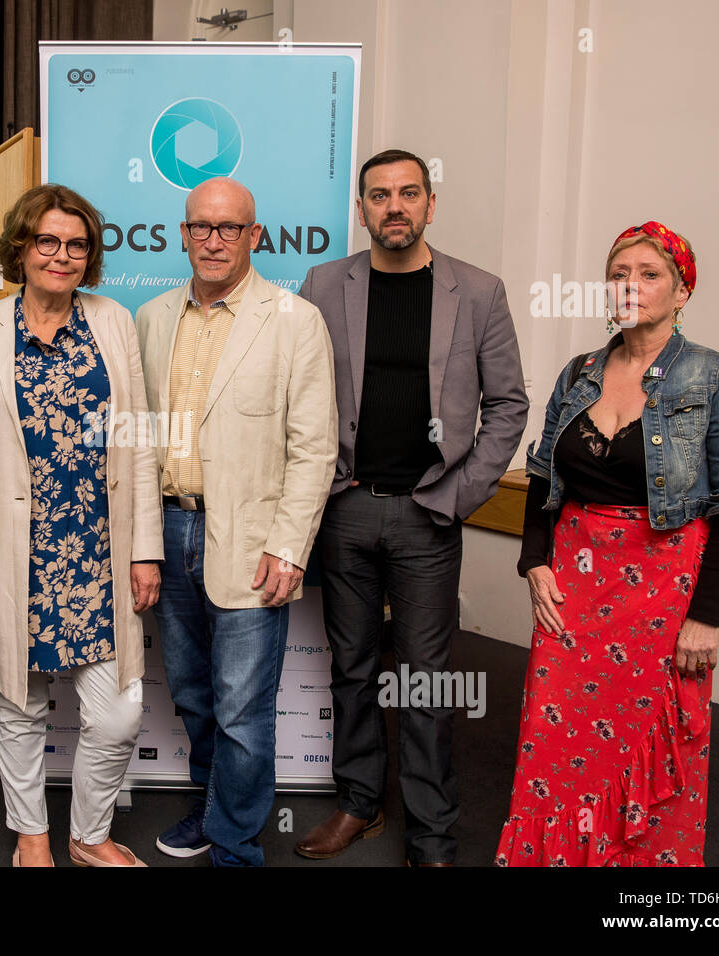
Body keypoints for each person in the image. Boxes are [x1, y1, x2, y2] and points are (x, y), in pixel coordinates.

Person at [497, 221, 719, 867]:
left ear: (681, 291)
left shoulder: (713, 376)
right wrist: (534, 559)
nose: (630, 286)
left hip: (663, 592)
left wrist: (704, 618)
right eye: (620, 274)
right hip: (572, 583)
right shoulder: (580, 372)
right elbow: (541, 477)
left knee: (652, 738)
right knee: (554, 740)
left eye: (649, 274)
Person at [293, 148, 529, 866]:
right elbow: (297, 396)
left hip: (429, 515)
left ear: (431, 204)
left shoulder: (479, 291)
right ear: (360, 209)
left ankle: (431, 832)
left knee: (425, 679)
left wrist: (456, 498)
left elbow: (509, 405)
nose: (393, 206)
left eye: (408, 193)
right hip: (345, 509)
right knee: (353, 668)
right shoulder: (323, 285)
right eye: (378, 195)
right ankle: (359, 804)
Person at [0, 183, 162, 868]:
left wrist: (145, 549)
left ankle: (89, 836)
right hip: (10, 558)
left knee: (117, 713)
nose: (62, 256)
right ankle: (32, 835)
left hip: (97, 550)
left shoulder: (113, 321)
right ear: (22, 249)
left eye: (77, 245)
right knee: (18, 705)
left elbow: (138, 441)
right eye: (47, 242)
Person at [134, 176, 337, 867]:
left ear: (255, 236)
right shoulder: (153, 319)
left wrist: (290, 547)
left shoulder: (294, 320)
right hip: (169, 530)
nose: (212, 240)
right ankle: (213, 801)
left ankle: (234, 844)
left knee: (245, 711)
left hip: (251, 542)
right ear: (182, 233)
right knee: (192, 694)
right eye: (200, 227)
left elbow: (314, 449)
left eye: (228, 228)